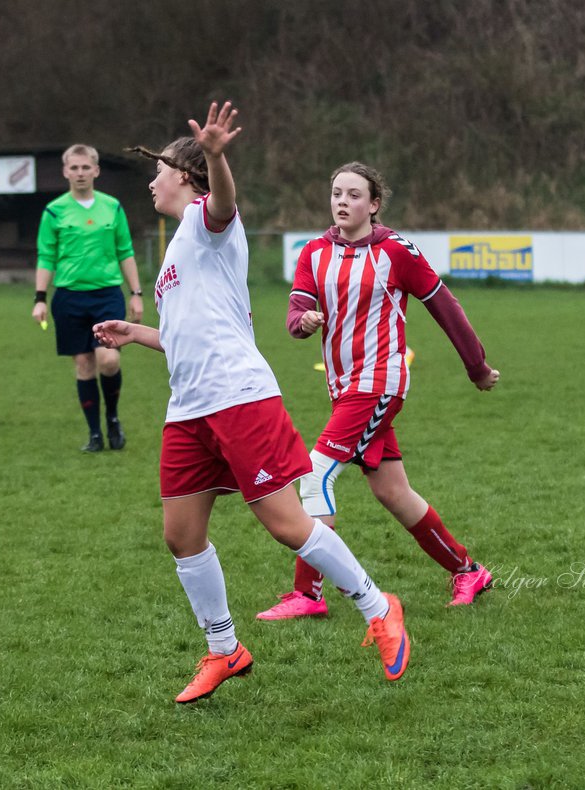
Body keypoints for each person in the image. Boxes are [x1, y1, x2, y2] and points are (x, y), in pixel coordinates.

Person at [93, 102, 410, 703]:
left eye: (158, 172)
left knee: (286, 524)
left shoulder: (207, 222)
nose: (152, 182)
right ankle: (224, 650)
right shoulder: (178, 251)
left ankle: (378, 607)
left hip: (240, 399)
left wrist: (215, 156)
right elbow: (193, 334)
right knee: (181, 535)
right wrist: (138, 334)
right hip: (189, 407)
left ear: (184, 177)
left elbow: (223, 203)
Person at [256, 163, 500, 622]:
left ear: (373, 204)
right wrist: (302, 323)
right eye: (336, 193)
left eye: (353, 194)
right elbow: (297, 310)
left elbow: (446, 308)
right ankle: (467, 570)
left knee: (315, 476)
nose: (342, 201)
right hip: (343, 388)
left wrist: (477, 367)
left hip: (379, 383)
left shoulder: (396, 251)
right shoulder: (313, 252)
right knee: (393, 491)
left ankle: (308, 593)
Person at [32, 144, 144, 453]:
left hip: (107, 294)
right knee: (83, 365)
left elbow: (126, 251)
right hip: (68, 298)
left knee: (108, 360)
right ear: (65, 172)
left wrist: (135, 294)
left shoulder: (112, 207)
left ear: (96, 170)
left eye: (85, 167)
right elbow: (46, 256)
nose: (80, 173)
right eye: (74, 168)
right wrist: (39, 298)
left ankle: (113, 418)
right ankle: (95, 434)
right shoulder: (54, 211)